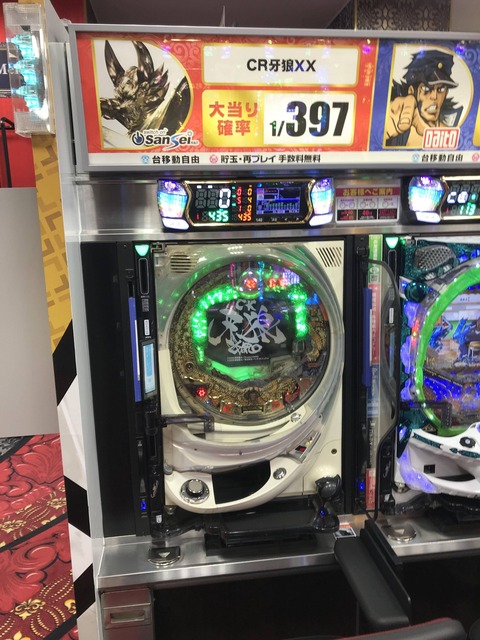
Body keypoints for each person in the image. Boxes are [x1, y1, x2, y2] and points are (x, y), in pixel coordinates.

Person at [385, 49, 462, 147]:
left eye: (441, 89)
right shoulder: (397, 124)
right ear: (411, 91)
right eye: (426, 88)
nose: (434, 97)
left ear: (446, 92)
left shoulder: (451, 126)